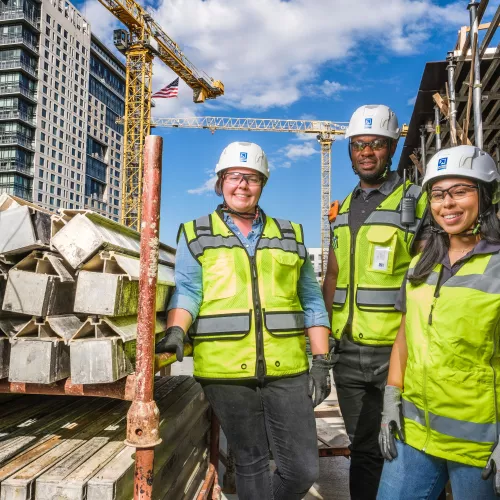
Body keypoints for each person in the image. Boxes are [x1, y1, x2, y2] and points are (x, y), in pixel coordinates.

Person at [156, 141, 332, 500]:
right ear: (221, 182)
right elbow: (188, 291)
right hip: (224, 372)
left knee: (301, 470)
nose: (243, 185)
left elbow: (311, 300)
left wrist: (321, 360)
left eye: (251, 178)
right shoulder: (195, 233)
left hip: (288, 370)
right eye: (235, 177)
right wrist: (176, 330)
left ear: (262, 184)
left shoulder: (290, 234)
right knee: (250, 463)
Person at [377, 145, 500, 499]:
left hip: (479, 443)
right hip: (414, 431)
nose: (448, 204)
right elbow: (405, 336)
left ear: (486, 196)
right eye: (438, 194)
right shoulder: (419, 266)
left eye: (461, 191)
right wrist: (390, 398)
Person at [322, 104, 428, 499]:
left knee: (404, 447)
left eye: (377, 144)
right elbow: (332, 275)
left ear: (391, 147)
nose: (367, 152)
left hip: (396, 352)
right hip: (347, 354)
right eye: (359, 145)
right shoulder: (341, 209)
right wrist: (322, 340)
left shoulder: (415, 201)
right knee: (363, 448)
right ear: (350, 151)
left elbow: (427, 279)